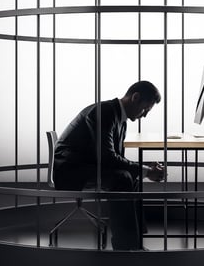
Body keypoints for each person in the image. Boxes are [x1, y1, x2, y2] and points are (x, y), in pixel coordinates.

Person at [53, 80, 165, 250]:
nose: (144, 116)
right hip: (70, 171)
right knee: (122, 178)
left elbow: (115, 159)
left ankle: (134, 241)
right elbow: (108, 158)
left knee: (130, 177)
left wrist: (146, 168)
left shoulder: (119, 118)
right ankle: (126, 247)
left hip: (86, 165)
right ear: (135, 97)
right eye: (145, 109)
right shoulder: (104, 113)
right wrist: (146, 171)